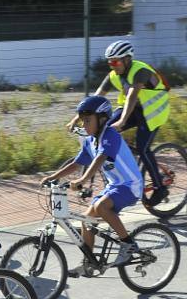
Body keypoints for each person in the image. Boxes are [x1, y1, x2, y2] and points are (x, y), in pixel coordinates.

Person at [40, 95, 143, 277]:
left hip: (130, 185)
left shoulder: (110, 135)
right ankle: (89, 262)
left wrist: (82, 180)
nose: (84, 125)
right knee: (86, 220)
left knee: (101, 206)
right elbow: (77, 163)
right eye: (82, 121)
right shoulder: (90, 140)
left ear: (102, 119)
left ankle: (128, 244)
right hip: (115, 186)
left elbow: (100, 158)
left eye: (88, 120)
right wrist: (53, 176)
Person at [92, 40, 170, 207]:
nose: (112, 65)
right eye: (109, 62)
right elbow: (97, 97)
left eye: (115, 61)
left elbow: (132, 96)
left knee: (143, 147)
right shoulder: (114, 74)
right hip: (134, 108)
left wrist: (122, 121)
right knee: (103, 129)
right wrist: (79, 117)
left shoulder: (140, 70)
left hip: (152, 111)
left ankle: (160, 187)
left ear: (127, 59)